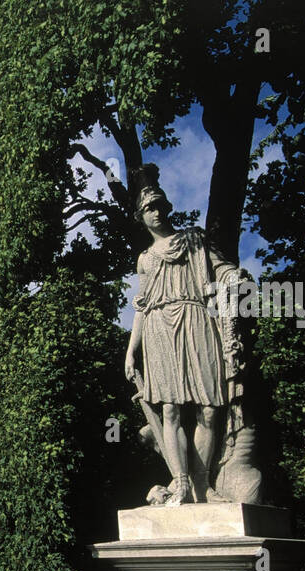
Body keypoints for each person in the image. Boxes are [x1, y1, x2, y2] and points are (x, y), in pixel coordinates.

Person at [124, 166, 245, 505]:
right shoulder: (145, 259)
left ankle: (203, 483)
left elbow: (221, 267)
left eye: (160, 205)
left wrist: (232, 275)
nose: (157, 212)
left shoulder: (194, 238)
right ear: (140, 217)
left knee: (209, 408)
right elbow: (143, 306)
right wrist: (131, 351)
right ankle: (180, 482)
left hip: (197, 319)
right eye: (149, 208)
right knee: (171, 410)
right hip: (159, 328)